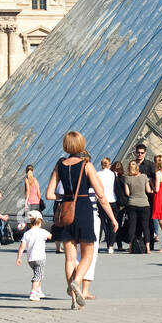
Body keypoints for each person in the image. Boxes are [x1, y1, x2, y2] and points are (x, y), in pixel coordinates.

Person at [45, 132, 118, 309]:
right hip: (84, 210)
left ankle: (73, 300)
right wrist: (113, 219)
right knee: (88, 255)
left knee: (70, 258)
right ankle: (77, 282)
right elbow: (101, 195)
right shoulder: (87, 165)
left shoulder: (59, 165)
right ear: (81, 145)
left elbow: (49, 194)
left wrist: (66, 196)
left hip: (66, 212)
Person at [17, 210, 51, 300]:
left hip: (30, 259)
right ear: (40, 222)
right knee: (38, 275)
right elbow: (51, 236)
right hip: (40, 258)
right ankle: (33, 293)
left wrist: (19, 258)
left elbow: (22, 247)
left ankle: (38, 291)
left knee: (38, 274)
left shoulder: (26, 234)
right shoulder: (42, 231)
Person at [122, 160, 152, 253]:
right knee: (145, 226)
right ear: (137, 168)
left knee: (132, 226)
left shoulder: (127, 178)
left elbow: (127, 193)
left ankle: (131, 247)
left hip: (132, 204)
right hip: (144, 203)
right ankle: (148, 248)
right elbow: (148, 190)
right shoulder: (144, 177)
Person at [96, 158, 117, 252]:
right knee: (111, 224)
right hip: (112, 200)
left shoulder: (98, 174)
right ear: (109, 164)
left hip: (101, 201)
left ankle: (97, 244)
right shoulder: (113, 174)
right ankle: (110, 246)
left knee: (100, 224)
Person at [110, 160, 128, 251]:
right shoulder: (123, 179)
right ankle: (119, 245)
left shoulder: (111, 178)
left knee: (111, 224)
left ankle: (111, 244)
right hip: (122, 204)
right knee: (118, 223)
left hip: (113, 202)